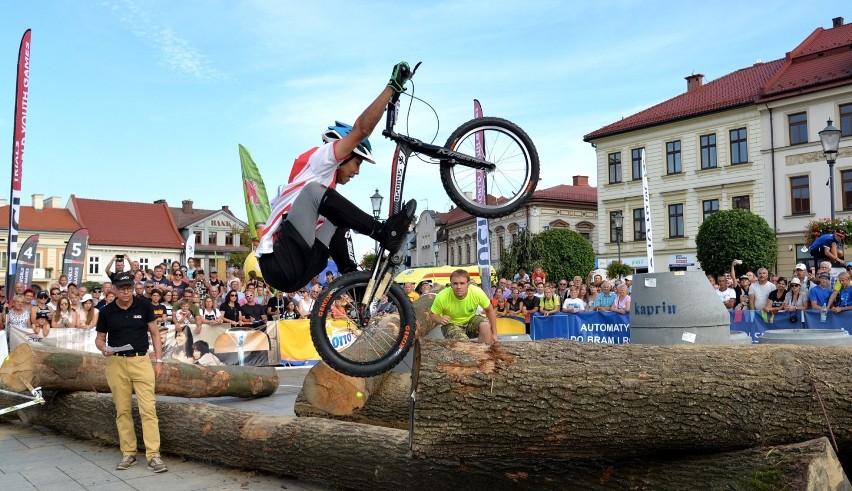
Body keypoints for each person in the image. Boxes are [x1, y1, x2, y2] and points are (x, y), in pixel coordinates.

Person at [256, 62, 416, 293]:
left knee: (336, 216)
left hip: (301, 269)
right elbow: (361, 129)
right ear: (344, 154)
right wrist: (391, 88)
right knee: (314, 193)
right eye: (357, 162)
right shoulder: (321, 159)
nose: (357, 172)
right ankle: (382, 232)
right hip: (278, 263)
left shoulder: (326, 183)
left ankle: (355, 284)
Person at [94, 271, 167, 473]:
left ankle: (154, 455)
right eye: (122, 288)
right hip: (116, 364)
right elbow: (99, 339)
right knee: (123, 411)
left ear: (133, 288)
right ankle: (128, 453)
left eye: (129, 288)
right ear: (114, 290)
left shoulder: (144, 305)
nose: (126, 292)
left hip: (141, 361)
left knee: (148, 409)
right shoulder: (106, 311)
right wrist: (103, 348)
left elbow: (154, 333)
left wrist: (159, 361)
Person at [428, 269, 497, 344]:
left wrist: (494, 334)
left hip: (470, 322)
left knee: (485, 325)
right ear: (451, 284)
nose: (458, 287)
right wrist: (440, 319)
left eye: (462, 283)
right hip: (452, 325)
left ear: (468, 284)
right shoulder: (442, 296)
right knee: (463, 342)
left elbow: (490, 310)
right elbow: (432, 314)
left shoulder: (477, 292)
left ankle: (484, 351)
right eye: (455, 283)